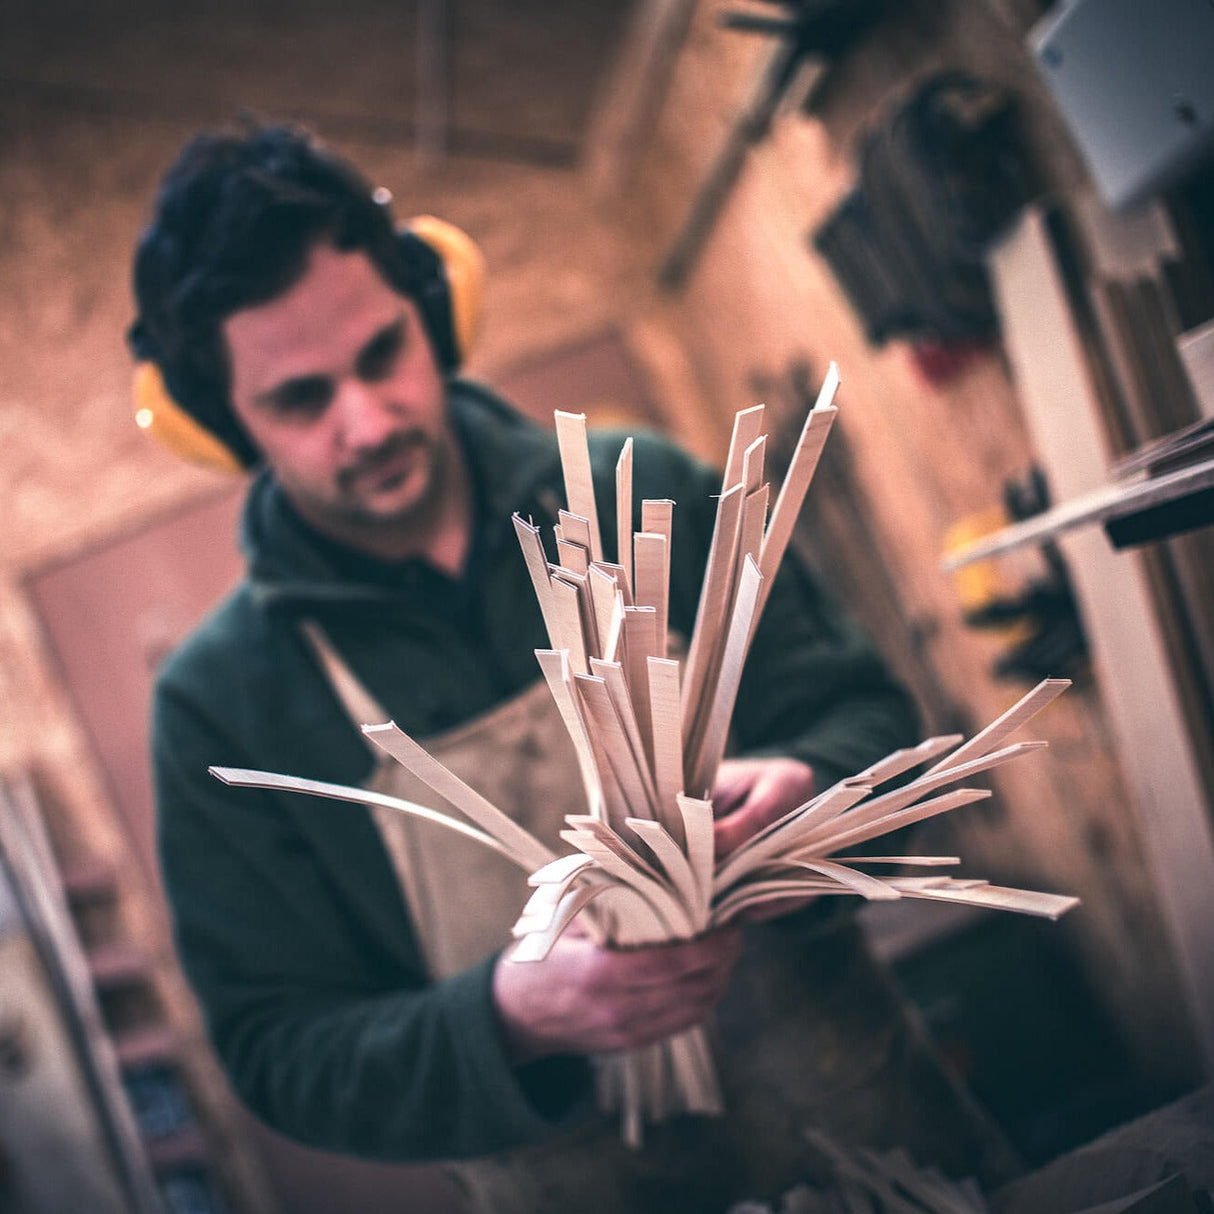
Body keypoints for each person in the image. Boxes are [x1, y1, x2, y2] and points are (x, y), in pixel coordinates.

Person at [129, 122, 1018, 1213]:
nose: (364, 421)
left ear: (434, 310)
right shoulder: (222, 706)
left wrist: (811, 795)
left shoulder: (645, 491)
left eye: (380, 354)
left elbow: (869, 718)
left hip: (889, 1155)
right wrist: (503, 1018)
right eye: (300, 399)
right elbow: (279, 1050)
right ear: (225, 420)